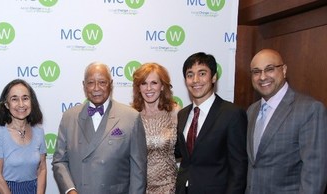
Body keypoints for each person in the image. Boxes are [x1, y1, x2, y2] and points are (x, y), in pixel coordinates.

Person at [52, 62, 147, 194]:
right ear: (84, 85)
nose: (96, 88)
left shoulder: (131, 117)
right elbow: (59, 161)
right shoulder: (69, 117)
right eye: (91, 82)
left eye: (102, 82)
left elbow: (138, 171)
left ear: (111, 84)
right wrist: (70, 190)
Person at [246, 49, 327, 194]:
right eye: (256, 72)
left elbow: (314, 173)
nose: (262, 77)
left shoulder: (309, 109)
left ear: (283, 70)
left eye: (269, 69)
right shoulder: (251, 111)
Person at [175, 52, 248, 194]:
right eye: (190, 75)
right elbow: (181, 152)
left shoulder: (232, 114)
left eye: (202, 73)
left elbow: (239, 168)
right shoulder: (182, 114)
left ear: (214, 77)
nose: (195, 80)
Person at [0, 79, 47, 194]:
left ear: (31, 102)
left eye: (25, 98)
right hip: (4, 190)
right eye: (14, 99)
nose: (21, 104)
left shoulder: (39, 132)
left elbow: (42, 169)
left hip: (32, 189)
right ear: (6, 105)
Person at [131, 63, 180, 193]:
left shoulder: (174, 112)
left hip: (170, 187)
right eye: (143, 83)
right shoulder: (131, 116)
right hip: (140, 188)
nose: (149, 88)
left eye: (154, 83)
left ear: (162, 86)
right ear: (138, 88)